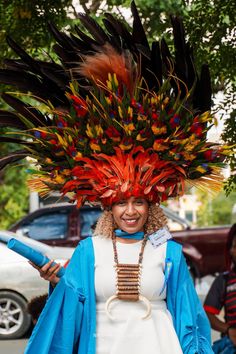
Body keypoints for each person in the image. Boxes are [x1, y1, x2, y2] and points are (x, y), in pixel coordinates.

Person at [0, 2, 230, 353]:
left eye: (138, 200)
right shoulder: (88, 251)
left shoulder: (169, 252)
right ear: (108, 206)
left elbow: (187, 316)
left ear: (150, 203)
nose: (131, 210)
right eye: (122, 201)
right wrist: (57, 279)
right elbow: (73, 302)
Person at [204, 224, 236, 353]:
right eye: (232, 246)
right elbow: (207, 314)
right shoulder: (224, 280)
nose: (232, 251)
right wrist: (229, 330)